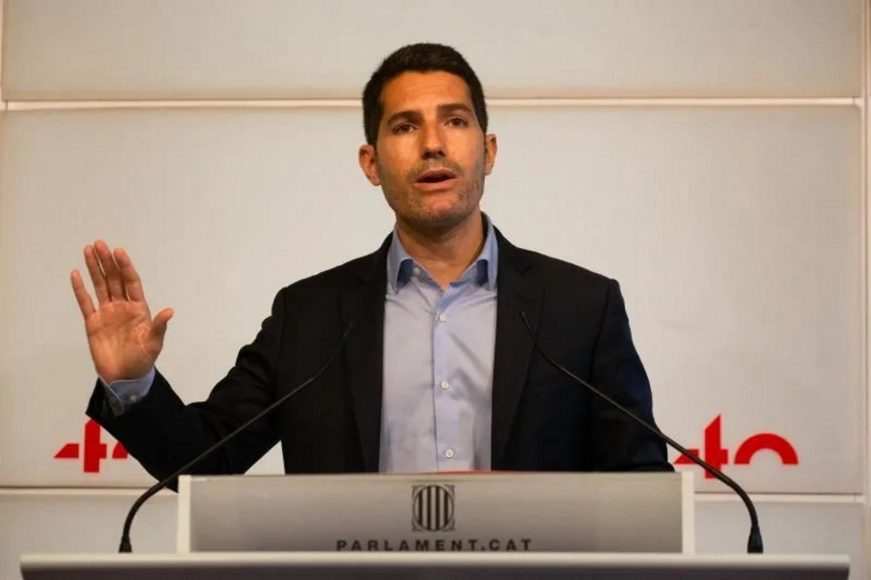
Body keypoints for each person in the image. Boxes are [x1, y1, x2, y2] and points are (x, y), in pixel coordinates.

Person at [71, 43, 671, 482]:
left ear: (488, 152)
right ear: (370, 163)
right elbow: (203, 464)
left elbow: (641, 489)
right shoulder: (309, 316)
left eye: (455, 121)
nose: (433, 143)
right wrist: (132, 383)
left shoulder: (580, 308)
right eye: (405, 126)